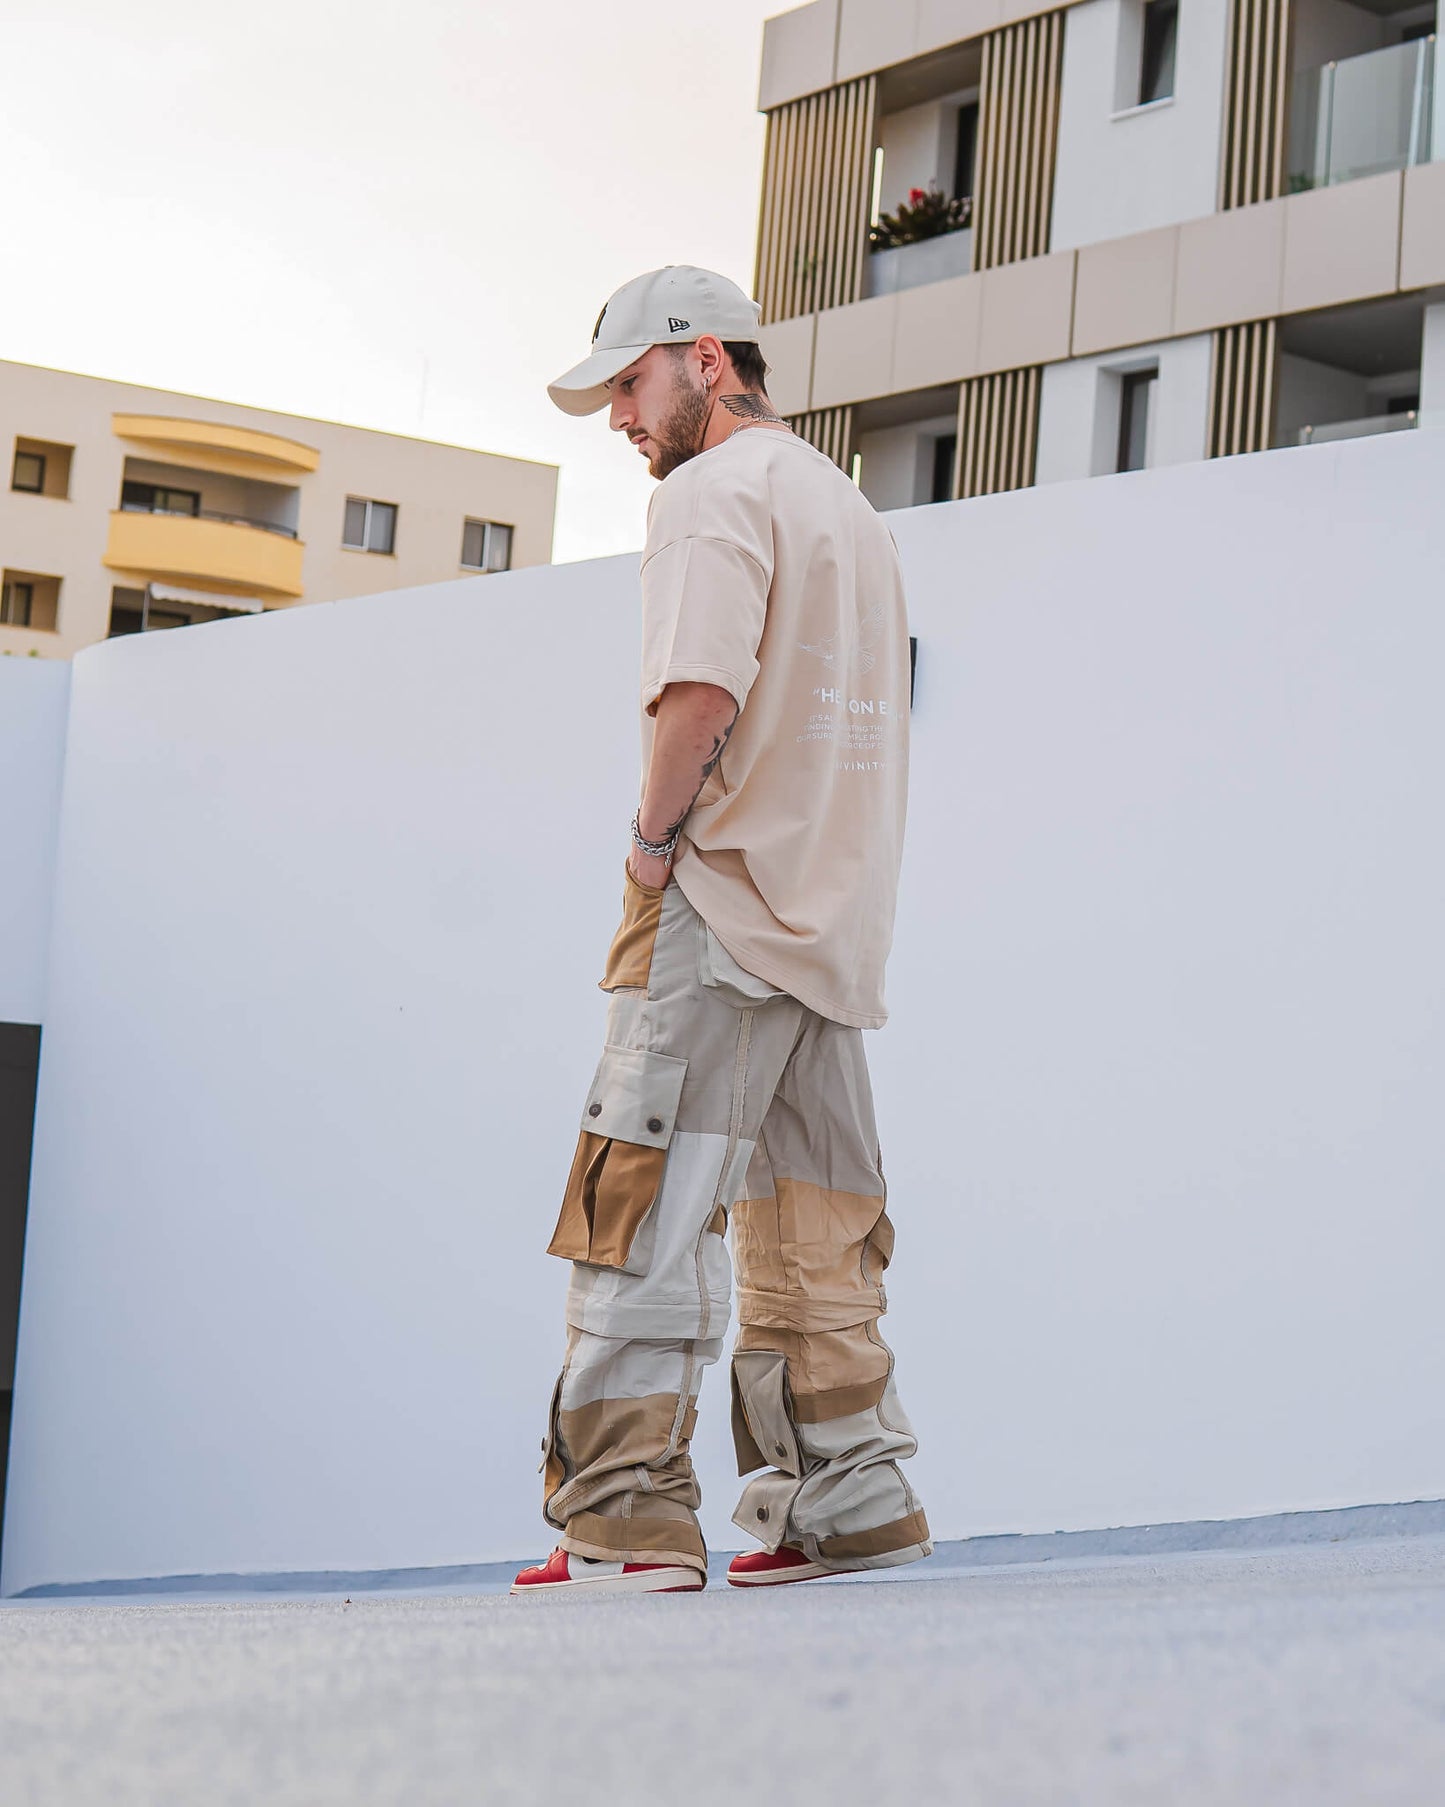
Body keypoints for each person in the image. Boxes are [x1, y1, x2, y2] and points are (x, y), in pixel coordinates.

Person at [512, 266, 930, 1596]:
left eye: (628, 387)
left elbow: (696, 695)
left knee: (638, 1200)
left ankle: (624, 1517)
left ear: (701, 360)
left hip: (719, 901)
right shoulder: (842, 505)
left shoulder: (711, 495)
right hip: (831, 921)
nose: (618, 420)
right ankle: (850, 1498)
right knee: (813, 1222)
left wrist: (647, 852)